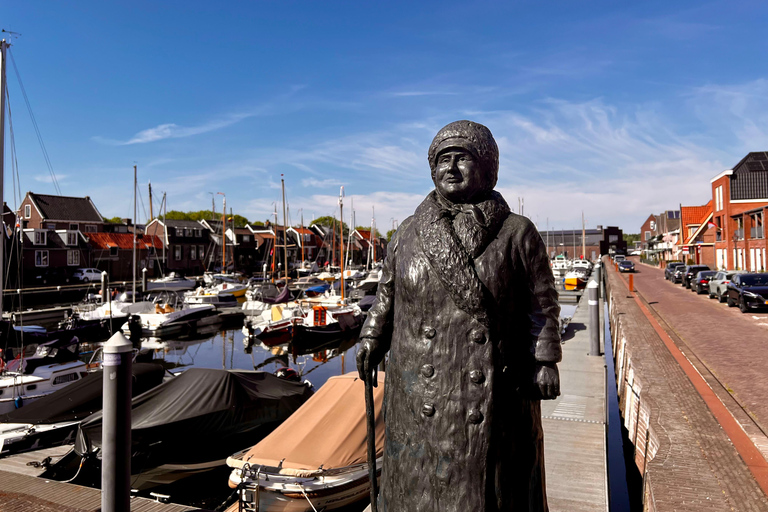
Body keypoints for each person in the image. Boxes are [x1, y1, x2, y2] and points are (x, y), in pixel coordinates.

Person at [357, 120, 561, 512]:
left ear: (487, 168)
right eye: (442, 160)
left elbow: (542, 303)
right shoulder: (406, 234)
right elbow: (387, 296)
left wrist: (545, 360)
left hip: (495, 389)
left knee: (494, 491)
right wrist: (371, 336)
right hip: (417, 393)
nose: (450, 168)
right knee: (416, 485)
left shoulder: (517, 232)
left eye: (461, 158)